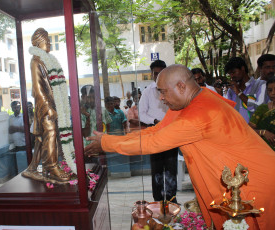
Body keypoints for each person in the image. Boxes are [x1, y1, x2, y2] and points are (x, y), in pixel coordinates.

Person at [85, 64, 275, 230]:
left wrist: (105, 143)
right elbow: (156, 131)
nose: (160, 98)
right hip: (241, 180)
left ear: (181, 87)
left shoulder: (200, 113)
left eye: (163, 91)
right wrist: (109, 139)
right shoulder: (196, 99)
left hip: (254, 182)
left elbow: (154, 142)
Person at [22, 28, 70, 183]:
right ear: (37, 44)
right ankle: (51, 166)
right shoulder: (36, 61)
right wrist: (48, 107)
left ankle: (32, 168)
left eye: (49, 41)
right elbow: (37, 89)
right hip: (45, 106)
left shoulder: (47, 61)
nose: (49, 43)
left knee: (41, 139)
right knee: (50, 133)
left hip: (52, 104)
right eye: (46, 41)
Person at [139, 59, 178, 203]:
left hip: (171, 133)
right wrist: (155, 121)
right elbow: (141, 114)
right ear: (151, 74)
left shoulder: (172, 90)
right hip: (155, 133)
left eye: (161, 73)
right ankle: (158, 201)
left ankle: (172, 200)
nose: (158, 76)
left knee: (171, 168)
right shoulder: (147, 92)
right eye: (155, 73)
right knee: (156, 169)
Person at [225, 57, 266, 123]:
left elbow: (259, 109)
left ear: (243, 68)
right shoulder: (231, 91)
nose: (232, 76)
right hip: (237, 130)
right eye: (230, 74)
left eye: (233, 72)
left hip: (255, 131)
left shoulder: (260, 85)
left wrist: (239, 93)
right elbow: (228, 112)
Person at [249, 76, 275, 150]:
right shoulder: (262, 109)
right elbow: (248, 130)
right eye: (270, 90)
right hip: (264, 151)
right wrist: (263, 132)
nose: (273, 93)